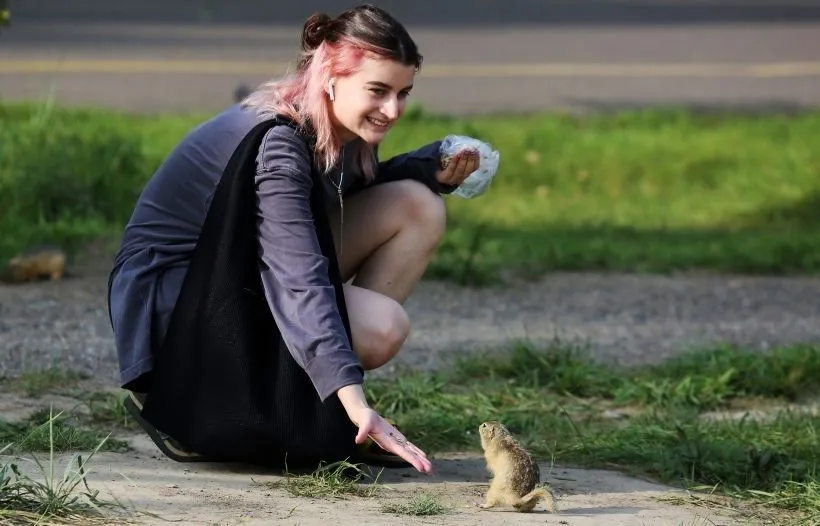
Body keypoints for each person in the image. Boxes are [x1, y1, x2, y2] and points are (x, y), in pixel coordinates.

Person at [107, 4, 479, 475]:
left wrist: (425, 168)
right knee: (381, 326)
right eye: (378, 91)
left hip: (230, 272)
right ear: (330, 78)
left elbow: (328, 207)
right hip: (172, 310)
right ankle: (215, 404)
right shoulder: (279, 141)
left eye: (403, 93)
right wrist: (351, 400)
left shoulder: (335, 119)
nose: (392, 110)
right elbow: (297, 275)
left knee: (417, 205)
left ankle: (322, 396)